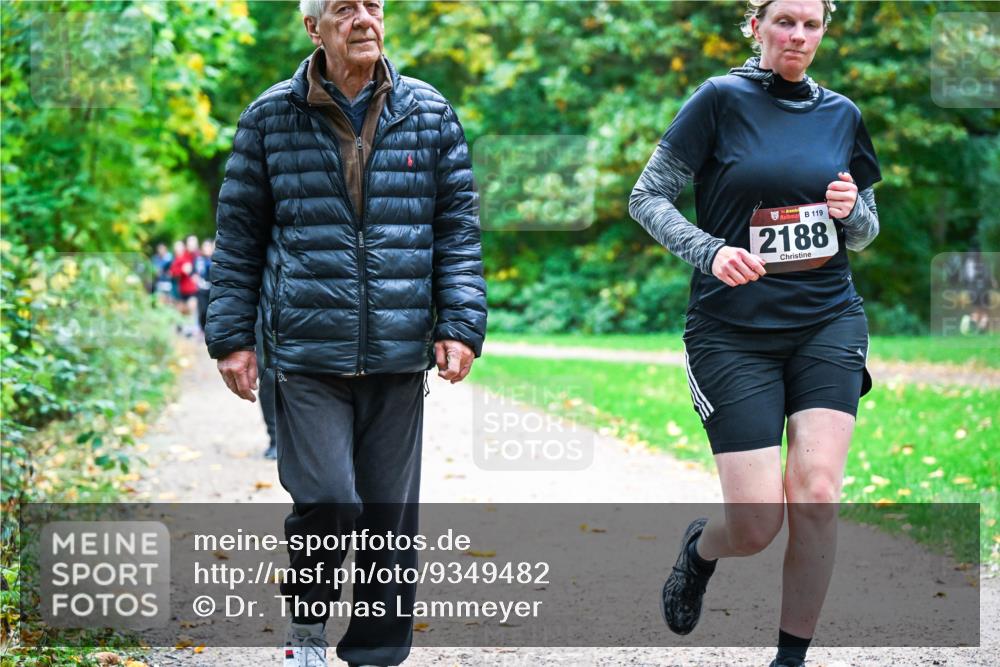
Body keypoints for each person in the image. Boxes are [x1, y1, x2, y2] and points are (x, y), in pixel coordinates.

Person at [204, 0, 487, 665]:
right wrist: (232, 335)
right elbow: (238, 237)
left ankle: (376, 654)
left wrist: (461, 322)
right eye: (344, 7)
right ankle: (307, 630)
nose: (364, 18)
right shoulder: (270, 116)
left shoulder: (429, 112)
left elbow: (457, 231)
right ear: (313, 27)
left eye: (374, 6)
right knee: (329, 499)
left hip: (396, 350)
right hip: (304, 353)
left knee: (389, 519)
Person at [629, 2, 881, 666]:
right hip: (731, 331)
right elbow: (647, 195)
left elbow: (867, 229)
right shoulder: (718, 100)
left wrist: (854, 211)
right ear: (756, 26)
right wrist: (709, 250)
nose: (798, 35)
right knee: (756, 523)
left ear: (824, 32)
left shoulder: (843, 114)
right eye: (785, 21)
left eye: (812, 24)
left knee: (819, 493)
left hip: (827, 316)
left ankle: (789, 659)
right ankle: (700, 549)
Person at [195, 239, 214, 335]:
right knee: (202, 311)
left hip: (213, 290)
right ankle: (202, 330)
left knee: (211, 312)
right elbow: (196, 273)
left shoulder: (216, 259)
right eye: (205, 246)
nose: (207, 249)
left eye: (208, 246)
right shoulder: (199, 260)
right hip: (202, 289)